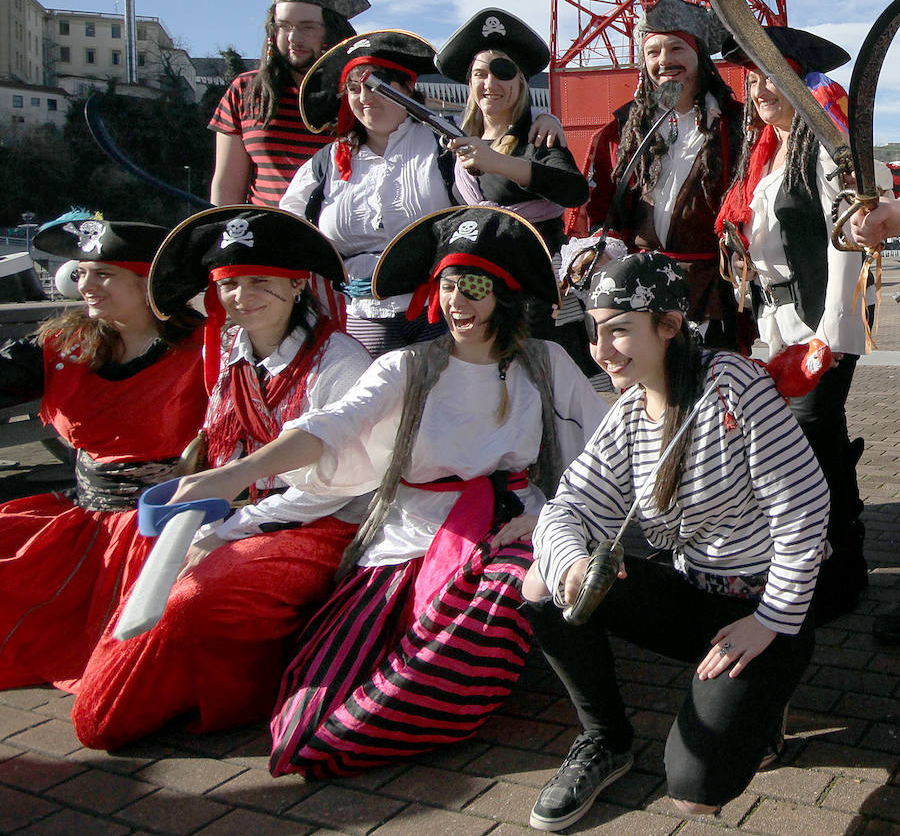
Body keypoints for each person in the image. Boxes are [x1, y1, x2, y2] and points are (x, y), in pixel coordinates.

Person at [166, 206, 609, 779]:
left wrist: (551, 516)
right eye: (447, 285)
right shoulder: (407, 366)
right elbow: (333, 425)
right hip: (408, 536)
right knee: (309, 712)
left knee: (495, 599)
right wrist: (231, 476)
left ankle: (414, 713)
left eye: (474, 287)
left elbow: (605, 450)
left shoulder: (545, 362)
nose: (457, 301)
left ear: (505, 294)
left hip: (507, 528)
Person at [521, 252, 827, 831]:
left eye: (618, 330)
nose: (600, 349)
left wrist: (771, 620)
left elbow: (804, 509)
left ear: (668, 325)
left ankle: (766, 701)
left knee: (694, 795)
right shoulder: (629, 412)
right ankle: (605, 739)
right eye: (594, 330)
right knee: (542, 583)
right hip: (693, 595)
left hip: (762, 606)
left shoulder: (732, 384)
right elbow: (568, 507)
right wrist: (573, 566)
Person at [71, 207, 373, 749]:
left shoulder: (341, 363)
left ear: (296, 285)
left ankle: (237, 694)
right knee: (153, 572)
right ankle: (165, 687)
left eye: (259, 281)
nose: (241, 296)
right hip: (243, 514)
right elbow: (220, 445)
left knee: (195, 598)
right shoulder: (231, 349)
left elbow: (334, 486)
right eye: (229, 284)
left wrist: (231, 529)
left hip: (320, 523)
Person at [715, 26, 894, 621]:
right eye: (753, 78)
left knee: (810, 436)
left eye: (773, 77)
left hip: (820, 318)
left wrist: (831, 334)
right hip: (775, 319)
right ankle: (820, 563)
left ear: (800, 83)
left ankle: (840, 572)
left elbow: (848, 240)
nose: (761, 89)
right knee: (807, 440)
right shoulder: (764, 152)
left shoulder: (825, 145)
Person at [0, 212, 206, 692]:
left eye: (105, 275)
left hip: (165, 528)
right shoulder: (65, 341)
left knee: (145, 651)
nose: (86, 286)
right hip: (83, 520)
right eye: (83, 273)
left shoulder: (207, 345)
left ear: (149, 283)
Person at [581, 0, 745, 350]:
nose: (664, 60)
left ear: (699, 56)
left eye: (676, 48)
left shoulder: (737, 124)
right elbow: (599, 206)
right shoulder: (624, 128)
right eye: (653, 52)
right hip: (641, 289)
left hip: (714, 292)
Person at [279, 29, 457, 355]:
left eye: (377, 84)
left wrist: (544, 120)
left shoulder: (445, 144)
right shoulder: (326, 163)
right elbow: (287, 230)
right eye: (353, 88)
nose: (365, 97)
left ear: (407, 88)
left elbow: (502, 144)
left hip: (445, 313)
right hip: (361, 314)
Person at [435, 7, 592, 369]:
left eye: (502, 72)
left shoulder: (539, 135)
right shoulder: (454, 145)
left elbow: (574, 191)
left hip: (534, 292)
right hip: (477, 291)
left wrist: (497, 162)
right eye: (480, 74)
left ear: (520, 81)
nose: (490, 83)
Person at [209, 0, 369, 206]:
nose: (294, 38)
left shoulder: (361, 95)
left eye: (308, 27)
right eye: (284, 26)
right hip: (263, 226)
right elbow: (227, 188)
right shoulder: (245, 91)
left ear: (332, 31)